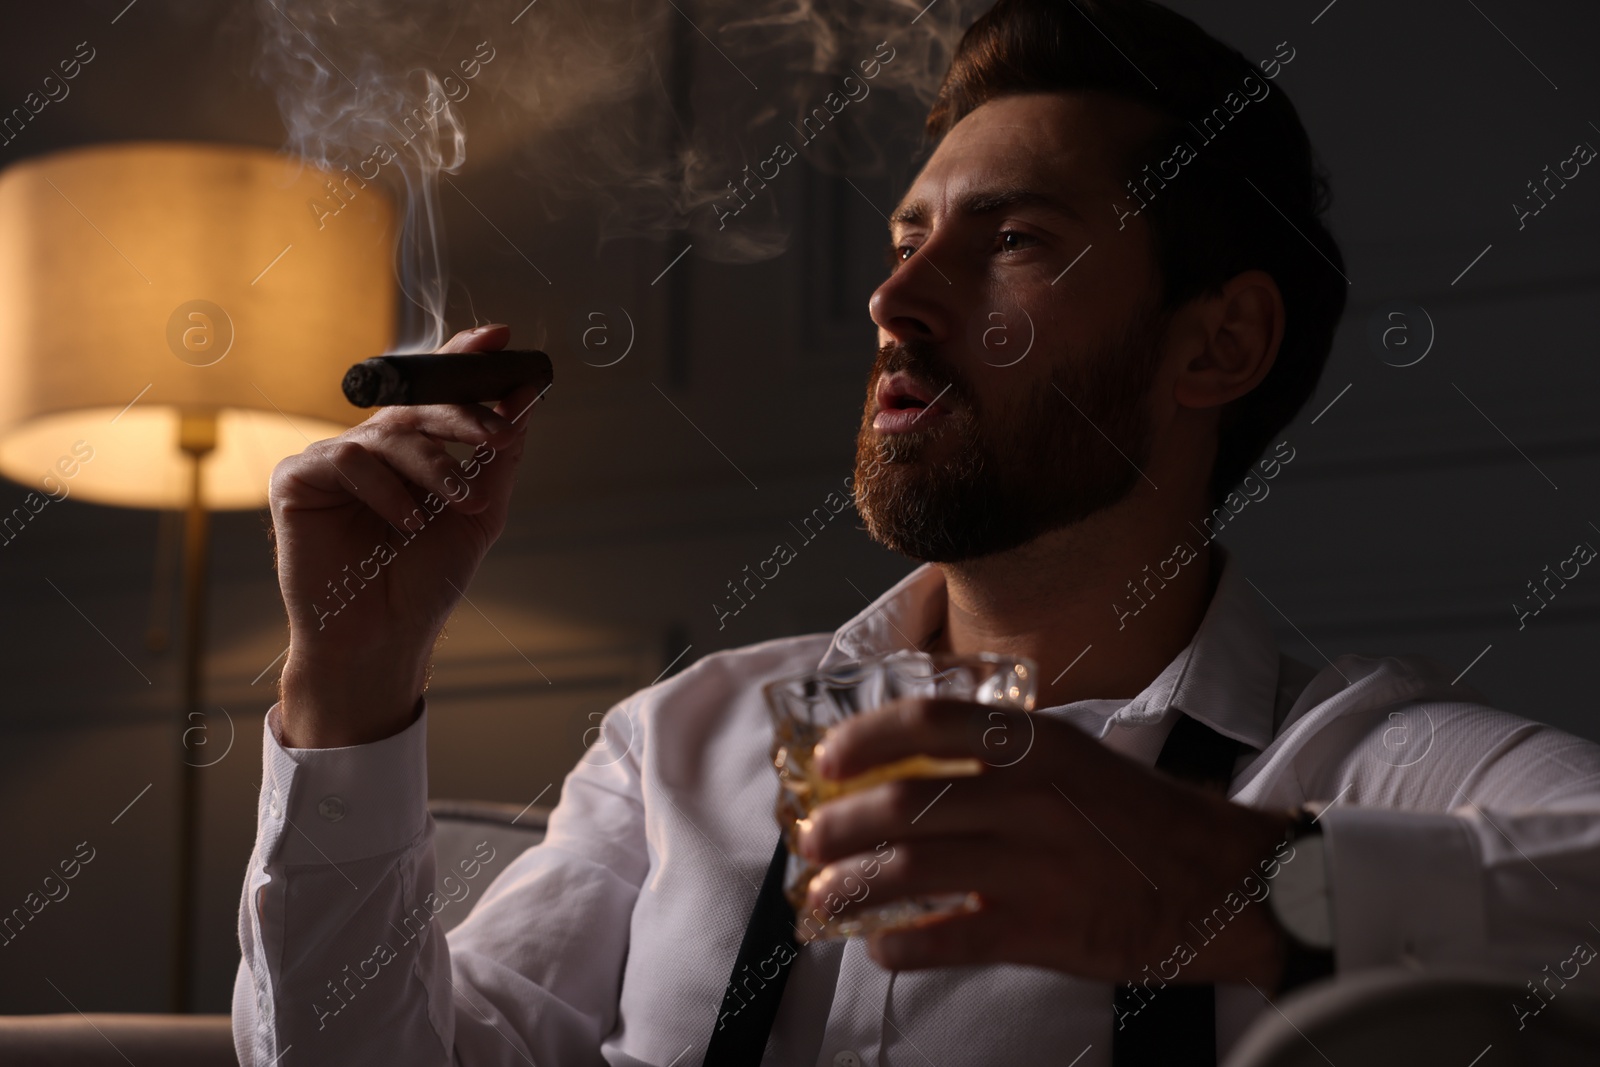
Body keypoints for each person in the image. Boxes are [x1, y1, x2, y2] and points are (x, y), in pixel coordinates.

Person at [232, 0, 1600, 1064]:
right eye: (904, 235)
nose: (895, 297)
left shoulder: (1366, 765)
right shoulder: (680, 743)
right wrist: (352, 675)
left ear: (1221, 342)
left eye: (1010, 238)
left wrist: (1246, 887)